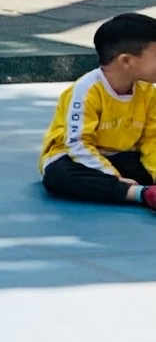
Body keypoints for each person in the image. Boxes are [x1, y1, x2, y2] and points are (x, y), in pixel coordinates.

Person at [39, 12, 156, 211]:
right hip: (75, 157)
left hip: (122, 156)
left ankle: (133, 189)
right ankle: (140, 194)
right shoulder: (86, 91)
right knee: (58, 175)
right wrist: (113, 177)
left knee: (143, 165)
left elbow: (151, 140)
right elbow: (78, 144)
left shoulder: (148, 92)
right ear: (126, 61)